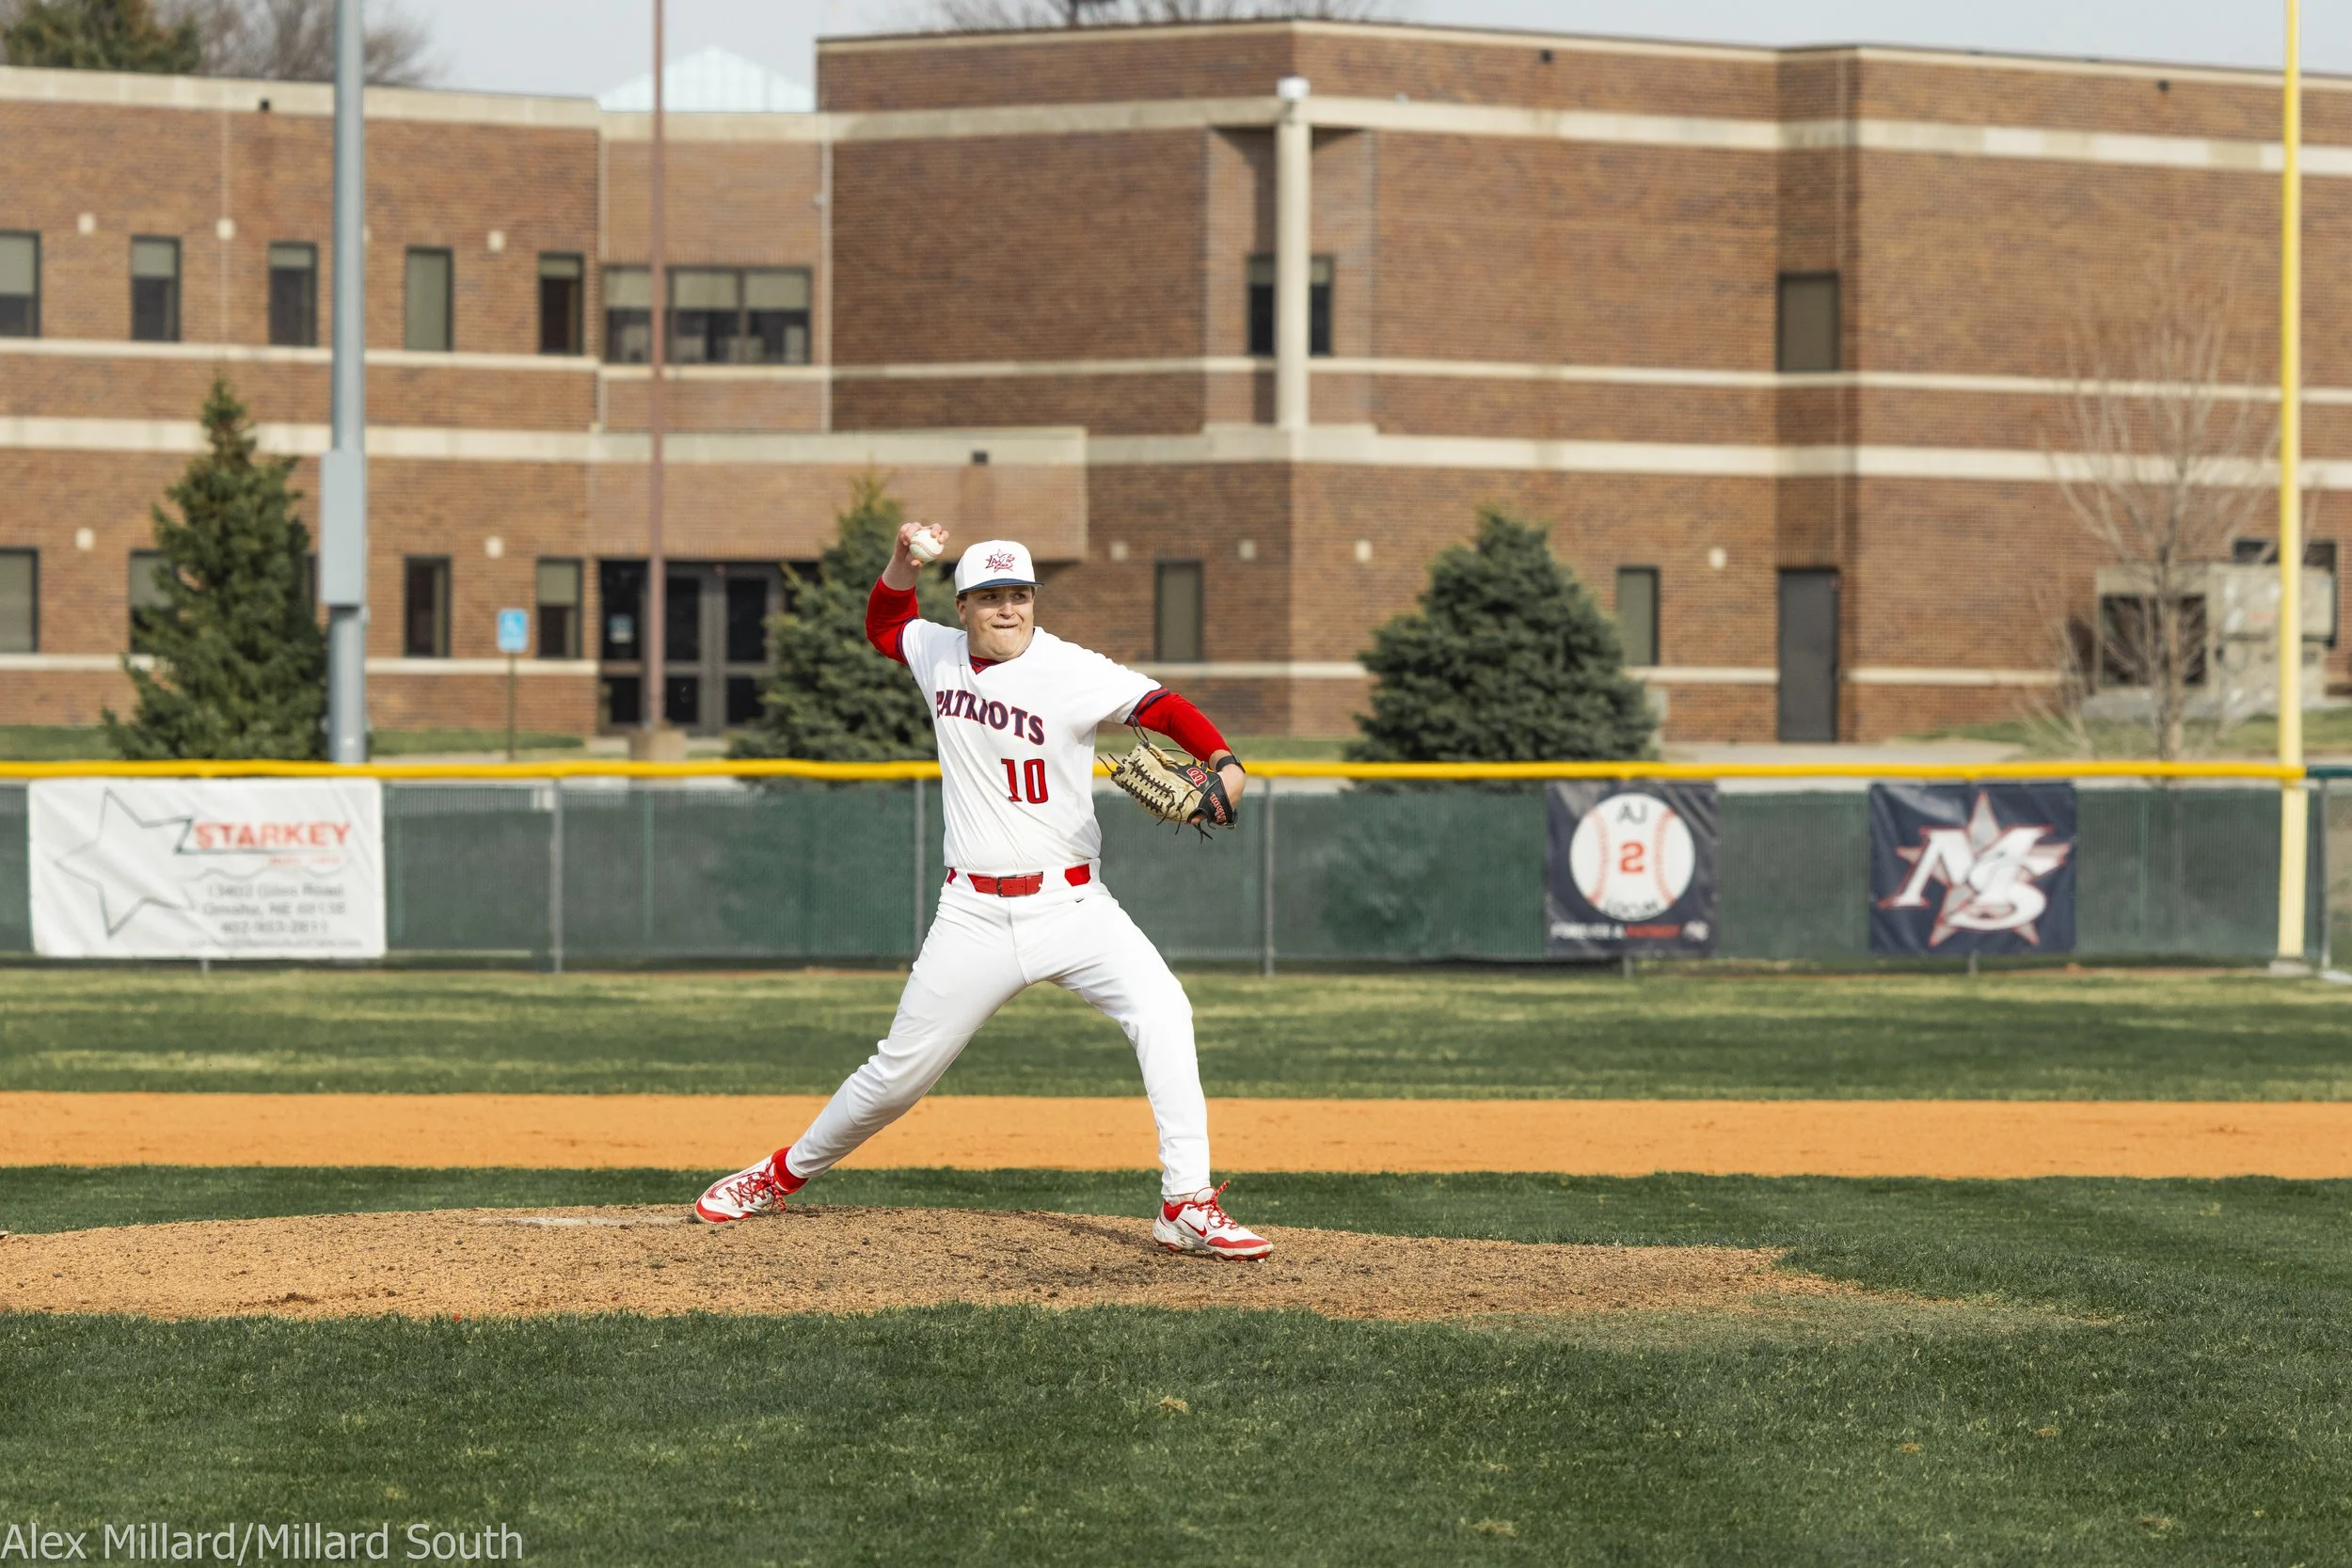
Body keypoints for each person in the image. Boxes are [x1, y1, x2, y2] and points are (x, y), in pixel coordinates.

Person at [691, 524, 1271, 1259]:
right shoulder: (937, 653)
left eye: (1019, 595)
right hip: (973, 914)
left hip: (1074, 906)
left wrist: (1223, 759)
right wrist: (902, 561)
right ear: (963, 606)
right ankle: (777, 1174)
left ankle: (1185, 1203)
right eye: (991, 596)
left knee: (1164, 1010)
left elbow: (1159, 706)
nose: (1008, 610)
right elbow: (885, 624)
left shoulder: (1069, 668)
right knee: (898, 1076)